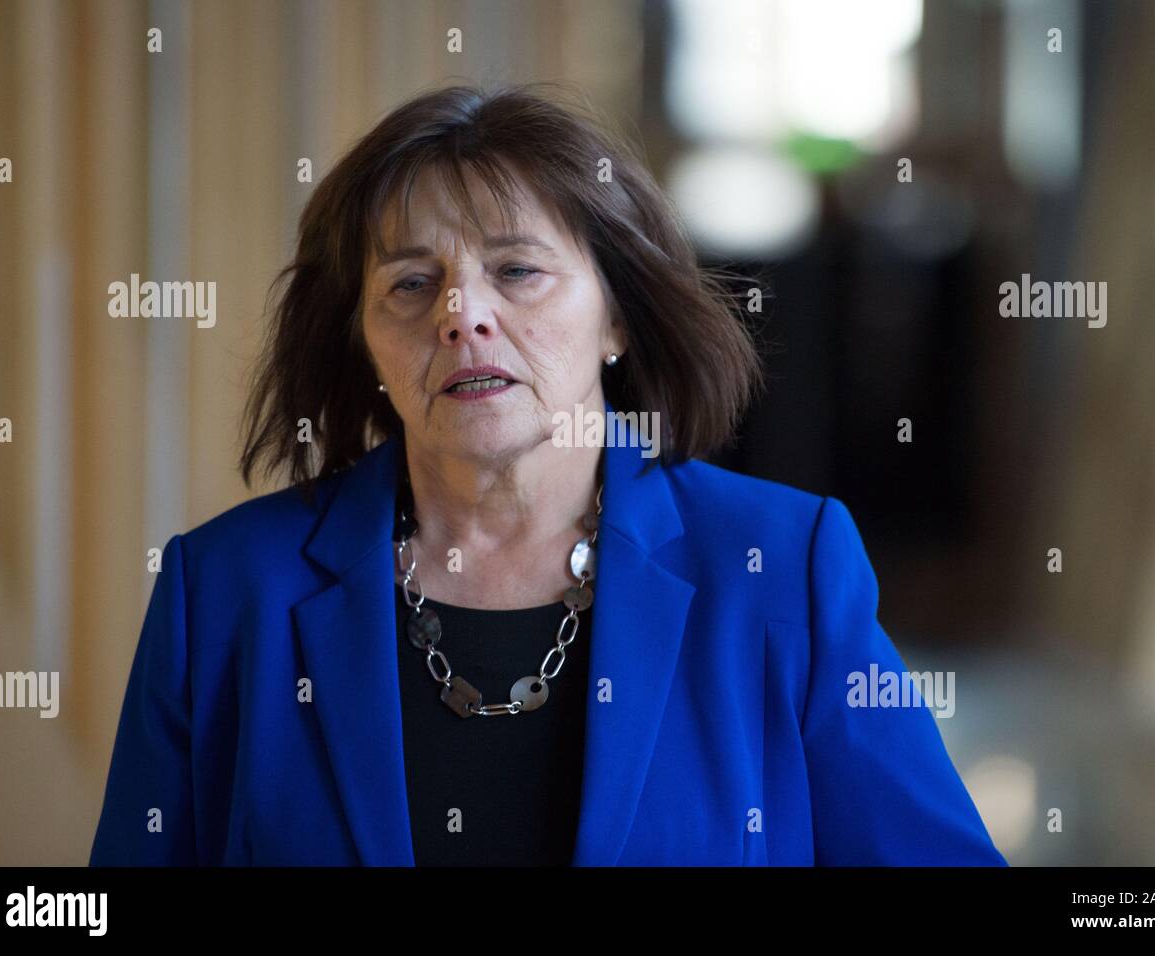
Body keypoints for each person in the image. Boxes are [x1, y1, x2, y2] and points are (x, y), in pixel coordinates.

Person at [89, 82, 1007, 866]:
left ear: (618, 318)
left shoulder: (782, 568)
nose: (462, 316)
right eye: (411, 284)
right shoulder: (222, 592)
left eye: (517, 270)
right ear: (363, 341)